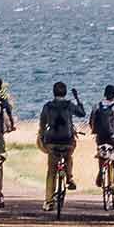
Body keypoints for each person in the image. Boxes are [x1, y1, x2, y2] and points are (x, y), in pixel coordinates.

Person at [37, 81, 85, 211]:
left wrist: (41, 136)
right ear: (65, 92)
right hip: (67, 141)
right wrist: (77, 98)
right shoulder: (69, 105)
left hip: (52, 142)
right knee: (69, 154)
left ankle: (49, 201)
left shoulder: (47, 106)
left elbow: (42, 124)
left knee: (51, 172)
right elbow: (82, 113)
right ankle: (69, 177)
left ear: (54, 92)